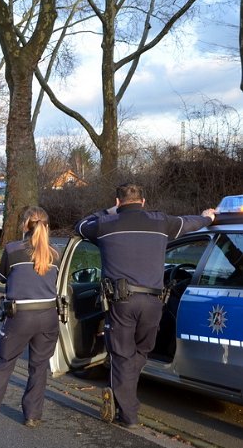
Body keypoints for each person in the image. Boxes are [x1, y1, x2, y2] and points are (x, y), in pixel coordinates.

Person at [75, 183, 215, 428]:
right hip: (152, 302)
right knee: (142, 350)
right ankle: (126, 402)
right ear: (143, 201)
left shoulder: (105, 224)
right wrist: (207, 217)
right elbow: (190, 223)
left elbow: (80, 226)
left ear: (118, 202)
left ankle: (128, 412)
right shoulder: (161, 222)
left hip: (121, 302)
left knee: (121, 355)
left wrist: (109, 211)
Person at [0, 206, 61, 427]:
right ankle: (32, 415)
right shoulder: (56, 254)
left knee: (4, 363)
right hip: (49, 315)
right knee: (39, 366)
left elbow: (1, 276)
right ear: (47, 227)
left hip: (20, 316)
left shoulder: (13, 250)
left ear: (25, 225)